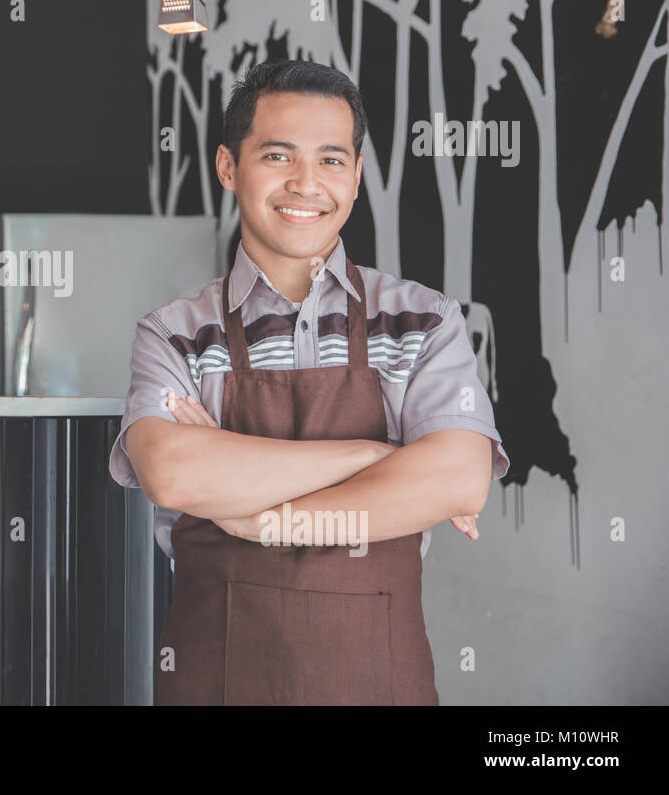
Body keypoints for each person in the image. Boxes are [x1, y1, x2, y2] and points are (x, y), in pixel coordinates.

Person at [110, 59, 509, 705]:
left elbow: (460, 479)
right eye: (277, 155)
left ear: (355, 177)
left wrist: (261, 523)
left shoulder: (423, 321)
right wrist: (374, 459)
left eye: (331, 159)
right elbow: (175, 473)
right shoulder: (173, 333)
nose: (306, 183)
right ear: (228, 168)